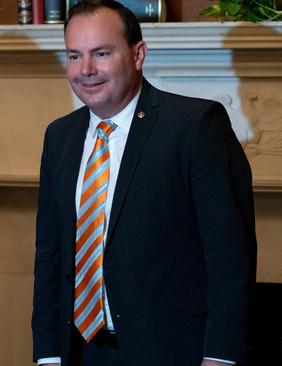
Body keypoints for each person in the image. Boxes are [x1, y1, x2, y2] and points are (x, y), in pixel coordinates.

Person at [31, 1, 256, 366]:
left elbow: (230, 256)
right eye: (74, 56)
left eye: (101, 53)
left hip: (173, 351)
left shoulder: (195, 126)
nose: (85, 70)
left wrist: (221, 356)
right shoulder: (60, 137)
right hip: (80, 351)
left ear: (138, 54)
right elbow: (51, 255)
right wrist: (48, 355)